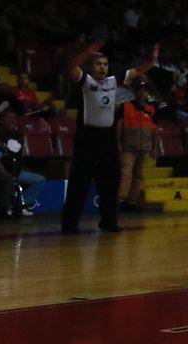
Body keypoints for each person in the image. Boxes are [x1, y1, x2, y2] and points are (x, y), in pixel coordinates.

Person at [62, 40, 159, 234]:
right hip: (87, 138)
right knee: (79, 182)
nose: (103, 68)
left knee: (112, 180)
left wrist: (152, 60)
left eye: (105, 64)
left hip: (107, 138)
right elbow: (70, 66)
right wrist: (87, 51)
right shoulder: (85, 81)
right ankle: (70, 224)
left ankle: (108, 220)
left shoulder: (114, 81)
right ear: (90, 66)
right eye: (99, 64)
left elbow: (138, 71)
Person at [119, 84, 158, 211]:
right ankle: (120, 200)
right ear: (135, 93)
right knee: (126, 174)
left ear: (148, 94)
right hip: (128, 147)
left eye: (145, 91)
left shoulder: (151, 109)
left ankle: (133, 201)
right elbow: (119, 126)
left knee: (139, 176)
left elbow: (154, 130)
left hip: (145, 148)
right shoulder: (126, 107)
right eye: (140, 90)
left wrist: (154, 147)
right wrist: (118, 144)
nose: (142, 93)